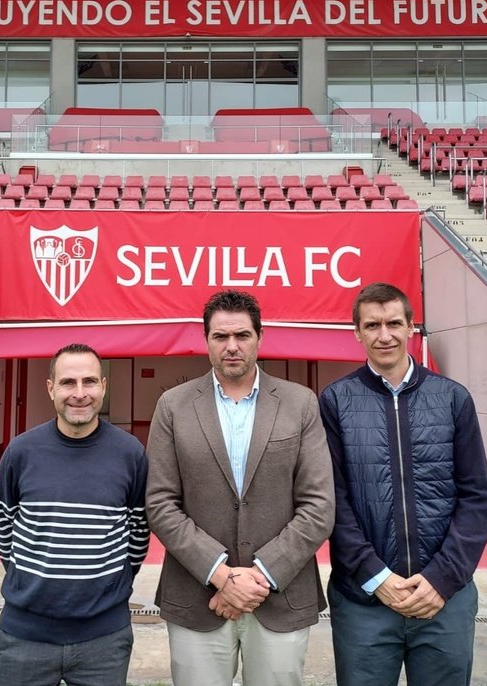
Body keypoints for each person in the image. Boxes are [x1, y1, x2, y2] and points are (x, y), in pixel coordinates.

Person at [146, 289, 334, 686]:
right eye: (220, 337)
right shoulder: (173, 405)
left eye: (242, 336)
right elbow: (160, 502)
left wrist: (258, 576)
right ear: (206, 340)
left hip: (280, 599)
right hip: (197, 598)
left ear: (260, 338)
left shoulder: (300, 404)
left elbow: (318, 506)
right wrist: (221, 575)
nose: (232, 347)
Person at [318, 282, 487, 686]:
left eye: (394, 323)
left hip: (443, 600)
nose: (385, 335)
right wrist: (376, 577)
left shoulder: (452, 399)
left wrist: (442, 578)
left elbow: (476, 498)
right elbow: (332, 502)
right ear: (357, 332)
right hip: (364, 600)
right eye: (373, 325)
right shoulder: (335, 401)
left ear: (411, 327)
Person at [0, 343, 149, 686]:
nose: (80, 394)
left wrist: (107, 585)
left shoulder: (130, 454)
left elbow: (139, 533)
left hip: (104, 640)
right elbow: (4, 527)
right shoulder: (20, 452)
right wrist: (33, 580)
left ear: (104, 387)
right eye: (68, 383)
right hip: (24, 638)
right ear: (51, 389)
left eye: (90, 382)